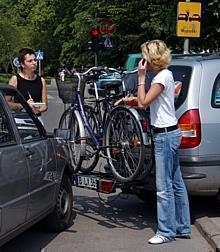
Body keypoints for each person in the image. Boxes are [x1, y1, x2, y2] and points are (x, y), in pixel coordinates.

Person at [119, 40, 191, 244]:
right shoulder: (166, 75)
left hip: (164, 135)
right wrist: (129, 100)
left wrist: (141, 78)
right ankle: (183, 226)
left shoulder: (161, 77)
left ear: (152, 59)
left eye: (144, 57)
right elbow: (153, 100)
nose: (143, 62)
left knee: (163, 186)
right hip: (171, 132)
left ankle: (166, 232)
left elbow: (144, 102)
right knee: (176, 182)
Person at [6, 48, 48, 124]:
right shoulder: (15, 79)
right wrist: (24, 105)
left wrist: (37, 110)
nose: (34, 63)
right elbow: (7, 103)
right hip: (20, 119)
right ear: (22, 64)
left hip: (36, 119)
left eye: (35, 60)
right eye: (30, 61)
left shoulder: (41, 80)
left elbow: (44, 106)